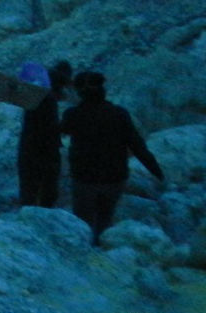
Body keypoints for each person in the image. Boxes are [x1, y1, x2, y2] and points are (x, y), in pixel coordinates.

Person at [60, 70, 163, 245]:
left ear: (79, 93)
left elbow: (58, 132)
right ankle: (103, 248)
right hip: (114, 179)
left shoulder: (73, 115)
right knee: (105, 220)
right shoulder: (119, 114)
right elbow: (137, 145)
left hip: (85, 180)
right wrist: (156, 171)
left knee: (82, 224)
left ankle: (84, 257)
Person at [17, 60, 72, 207]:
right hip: (45, 152)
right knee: (47, 194)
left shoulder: (35, 95)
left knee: (28, 193)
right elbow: (50, 128)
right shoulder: (48, 100)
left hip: (27, 149)